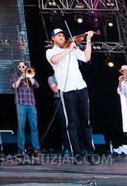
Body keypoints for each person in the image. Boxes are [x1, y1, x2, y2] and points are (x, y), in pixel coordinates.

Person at [45, 28, 95, 156]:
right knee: (71, 122)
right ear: (53, 39)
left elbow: (86, 57)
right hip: (67, 90)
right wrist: (68, 50)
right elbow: (54, 60)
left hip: (81, 87)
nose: (62, 38)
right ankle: (76, 153)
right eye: (59, 36)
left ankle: (90, 151)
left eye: (63, 35)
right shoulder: (51, 51)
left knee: (86, 121)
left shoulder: (73, 49)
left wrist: (88, 41)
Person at [11, 61, 42, 157]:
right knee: (21, 127)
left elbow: (37, 85)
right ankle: (21, 149)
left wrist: (29, 77)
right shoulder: (15, 76)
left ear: (26, 66)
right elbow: (13, 87)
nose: (21, 67)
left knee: (34, 127)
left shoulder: (30, 74)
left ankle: (36, 149)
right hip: (20, 104)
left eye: (23, 66)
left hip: (31, 103)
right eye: (20, 66)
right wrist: (20, 78)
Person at [47, 75, 70, 155]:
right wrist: (61, 78)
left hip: (69, 99)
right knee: (63, 123)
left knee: (74, 122)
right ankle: (66, 147)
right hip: (59, 99)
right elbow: (56, 90)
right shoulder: (51, 78)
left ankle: (80, 147)